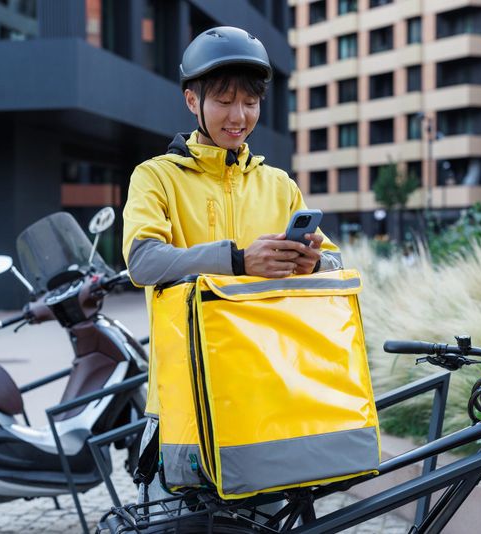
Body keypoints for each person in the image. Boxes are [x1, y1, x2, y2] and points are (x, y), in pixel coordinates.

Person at [121, 25, 342, 505]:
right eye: (223, 100)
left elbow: (333, 264)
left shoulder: (280, 185)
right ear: (191, 101)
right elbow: (143, 261)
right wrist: (239, 260)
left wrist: (313, 262)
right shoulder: (155, 177)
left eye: (250, 102)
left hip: (268, 400)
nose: (238, 116)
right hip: (185, 402)